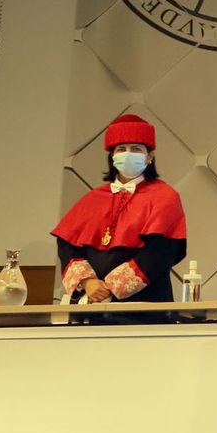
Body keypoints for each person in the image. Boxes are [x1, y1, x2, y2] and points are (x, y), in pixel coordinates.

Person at [53, 114, 187, 316]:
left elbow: (161, 252)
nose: (128, 154)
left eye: (136, 149)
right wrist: (88, 282)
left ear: (149, 157)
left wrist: (110, 287)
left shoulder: (165, 197)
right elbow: (68, 245)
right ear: (112, 156)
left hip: (145, 307)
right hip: (93, 307)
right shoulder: (93, 199)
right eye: (121, 149)